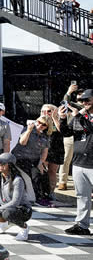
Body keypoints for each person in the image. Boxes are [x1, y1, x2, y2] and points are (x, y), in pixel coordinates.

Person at [60, 89, 93, 234]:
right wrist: (62, 118)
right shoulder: (80, 116)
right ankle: (82, 225)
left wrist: (79, 116)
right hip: (79, 161)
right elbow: (67, 132)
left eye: (87, 100)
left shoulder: (82, 116)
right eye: (82, 101)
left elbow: (91, 129)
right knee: (82, 195)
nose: (84, 103)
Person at [12, 115, 51, 206]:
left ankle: (45, 196)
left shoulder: (45, 136)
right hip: (21, 158)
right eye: (39, 122)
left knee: (44, 175)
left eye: (44, 125)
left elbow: (45, 152)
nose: (40, 125)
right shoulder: (27, 129)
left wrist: (41, 163)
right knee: (34, 175)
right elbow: (22, 142)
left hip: (34, 159)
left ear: (47, 127)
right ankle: (37, 197)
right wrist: (29, 130)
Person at [59, 83, 78, 190]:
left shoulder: (85, 107)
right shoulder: (72, 106)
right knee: (66, 159)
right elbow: (65, 103)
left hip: (83, 137)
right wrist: (69, 92)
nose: (82, 101)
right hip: (69, 136)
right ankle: (62, 181)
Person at [42, 104, 64, 200]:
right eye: (44, 111)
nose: (46, 113)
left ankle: (51, 192)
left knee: (52, 171)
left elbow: (62, 131)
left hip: (56, 148)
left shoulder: (59, 121)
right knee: (41, 170)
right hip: (43, 149)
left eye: (49, 111)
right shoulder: (40, 121)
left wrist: (55, 118)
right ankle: (41, 191)